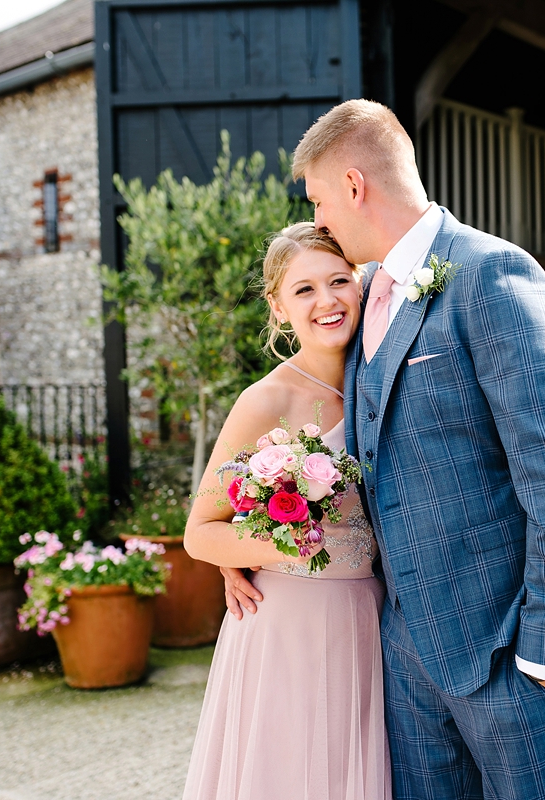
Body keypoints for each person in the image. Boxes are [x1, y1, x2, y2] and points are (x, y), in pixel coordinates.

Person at [222, 99, 545, 800]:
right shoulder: (365, 293)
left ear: (353, 185)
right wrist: (247, 552)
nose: (319, 222)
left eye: (319, 200)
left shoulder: (492, 275)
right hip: (403, 657)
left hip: (506, 652)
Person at [181, 222, 391, 800]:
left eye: (338, 281)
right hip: (285, 625)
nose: (326, 301)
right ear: (278, 306)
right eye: (304, 290)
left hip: (368, 620)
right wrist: (278, 544)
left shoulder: (380, 382)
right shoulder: (265, 400)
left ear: (362, 287)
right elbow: (201, 531)